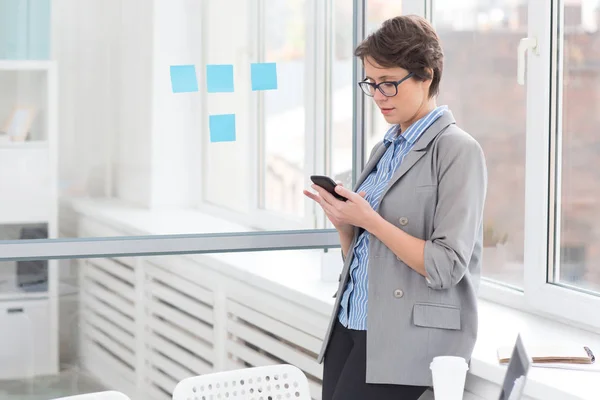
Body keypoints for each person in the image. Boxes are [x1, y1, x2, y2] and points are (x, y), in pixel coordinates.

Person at [303, 15, 487, 400]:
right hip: (351, 323)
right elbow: (372, 258)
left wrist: (370, 220)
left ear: (427, 76)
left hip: (404, 337)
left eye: (389, 83)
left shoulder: (457, 150)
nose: (379, 95)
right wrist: (346, 226)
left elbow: (447, 265)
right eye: (371, 83)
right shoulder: (384, 148)